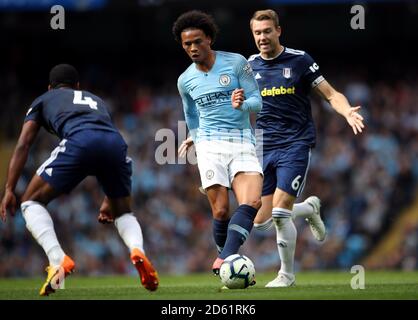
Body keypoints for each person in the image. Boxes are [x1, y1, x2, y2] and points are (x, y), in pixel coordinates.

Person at [0, 64, 159, 296]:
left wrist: (9, 189)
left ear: (50, 87)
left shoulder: (44, 99)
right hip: (115, 144)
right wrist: (109, 195)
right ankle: (137, 249)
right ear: (77, 87)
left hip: (79, 141)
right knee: (123, 212)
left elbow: (24, 144)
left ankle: (57, 260)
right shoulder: (96, 100)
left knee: (30, 201)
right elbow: (103, 141)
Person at [248, 10, 365, 287]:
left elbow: (331, 94)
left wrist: (347, 111)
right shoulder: (248, 66)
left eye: (267, 31)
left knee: (279, 213)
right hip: (264, 145)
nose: (262, 37)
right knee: (261, 222)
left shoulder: (300, 61)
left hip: (295, 142)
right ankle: (309, 209)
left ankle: (286, 275)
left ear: (278, 31)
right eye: (257, 33)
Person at [172, 10, 264, 276]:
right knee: (222, 211)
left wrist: (242, 104)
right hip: (210, 147)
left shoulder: (236, 63)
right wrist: (198, 141)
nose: (192, 48)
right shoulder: (185, 80)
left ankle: (224, 258)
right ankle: (228, 262)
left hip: (242, 142)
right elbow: (190, 115)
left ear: (209, 39)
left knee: (253, 202)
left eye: (197, 41)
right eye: (187, 44)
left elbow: (257, 101)